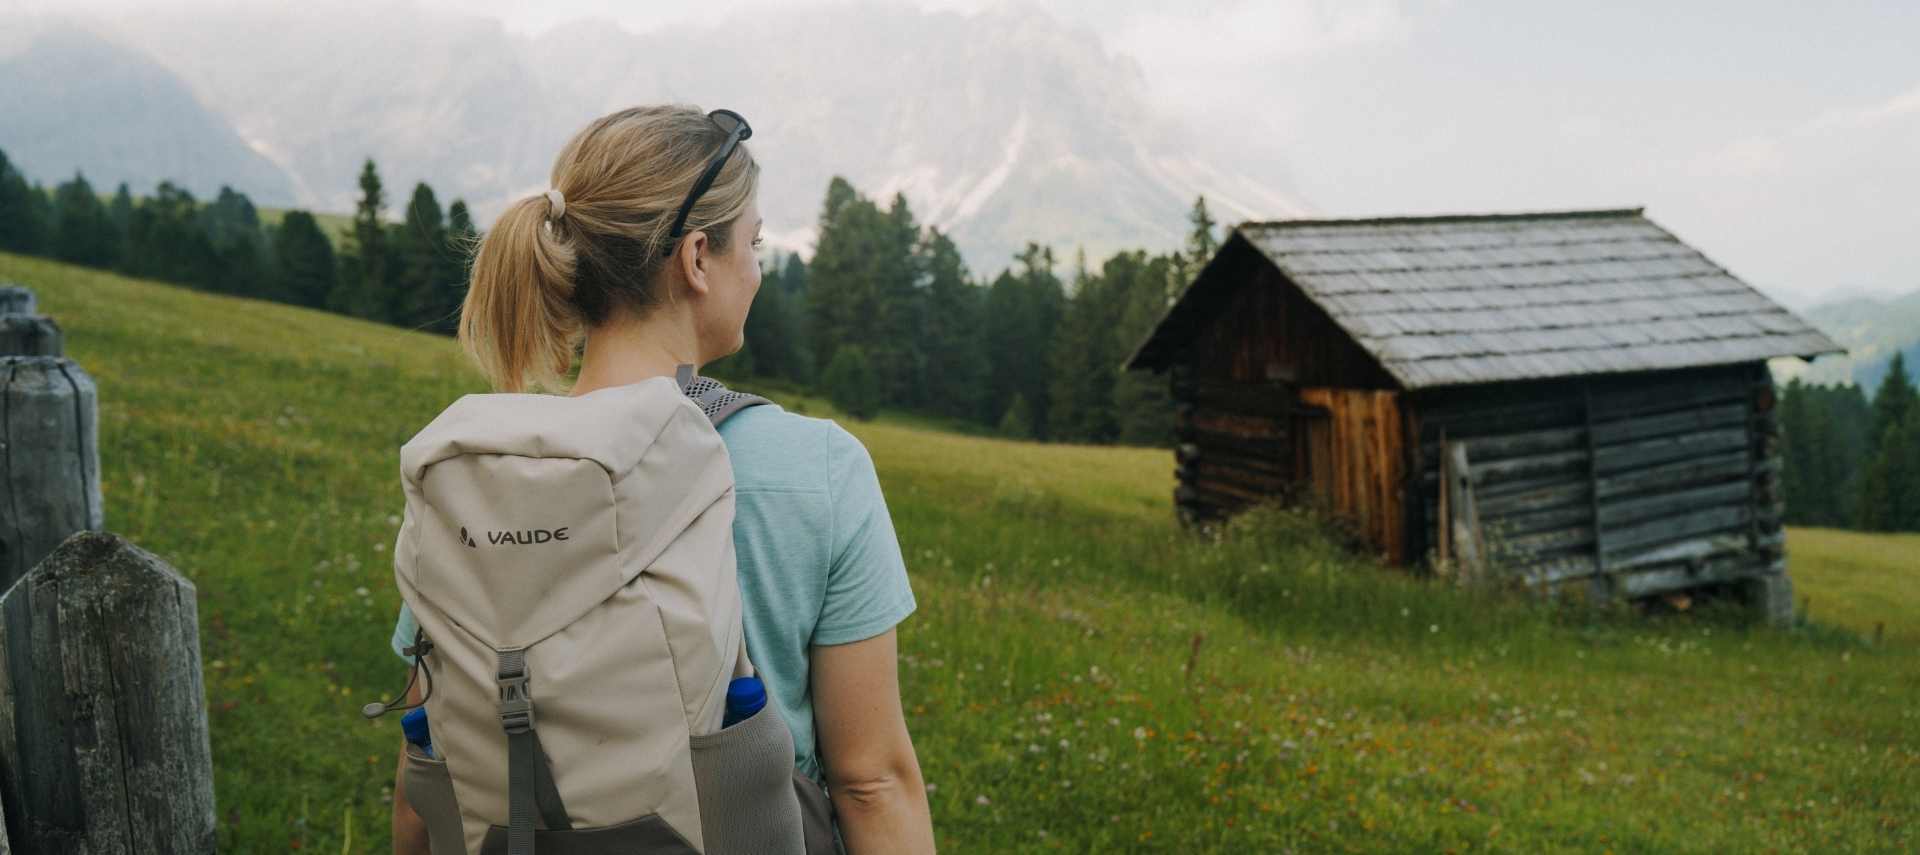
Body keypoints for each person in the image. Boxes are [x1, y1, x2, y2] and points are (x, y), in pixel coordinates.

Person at [386, 105, 935, 854]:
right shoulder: (821, 467)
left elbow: (425, 779)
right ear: (699, 257)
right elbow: (872, 782)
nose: (758, 269)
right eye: (755, 243)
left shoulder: (477, 475)